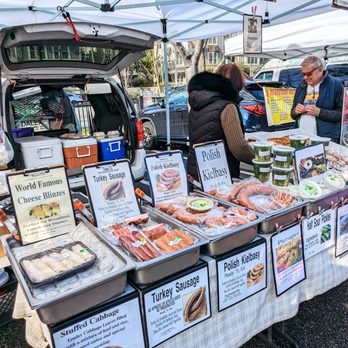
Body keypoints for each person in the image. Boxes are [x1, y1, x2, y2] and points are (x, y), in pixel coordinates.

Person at [187, 64, 254, 180]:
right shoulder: (227, 106)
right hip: (218, 175)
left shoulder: (197, 103)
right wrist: (262, 158)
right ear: (237, 85)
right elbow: (238, 148)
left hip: (195, 172)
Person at [291, 55, 343, 143]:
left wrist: (319, 112)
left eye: (309, 73)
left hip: (324, 139)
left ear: (320, 70)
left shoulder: (336, 85)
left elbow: (342, 115)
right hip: (301, 138)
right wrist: (296, 111)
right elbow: (292, 115)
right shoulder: (301, 86)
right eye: (303, 74)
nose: (305, 77)